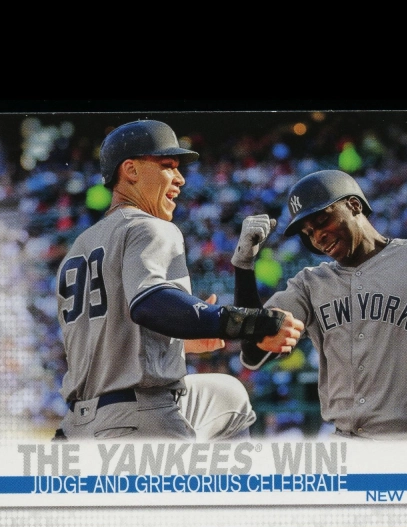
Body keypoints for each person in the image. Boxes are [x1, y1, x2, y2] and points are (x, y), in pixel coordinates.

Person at [54, 120, 303, 440]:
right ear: (130, 170)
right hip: (140, 419)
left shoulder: (79, 247)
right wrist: (252, 323)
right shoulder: (147, 226)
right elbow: (150, 304)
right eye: (168, 166)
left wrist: (176, 343)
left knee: (228, 395)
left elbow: (108, 340)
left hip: (78, 425)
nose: (180, 178)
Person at [231, 169, 407, 440]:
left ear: (354, 205)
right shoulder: (310, 283)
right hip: (347, 443)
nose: (317, 237)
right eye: (308, 232)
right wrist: (243, 266)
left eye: (322, 221)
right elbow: (253, 352)